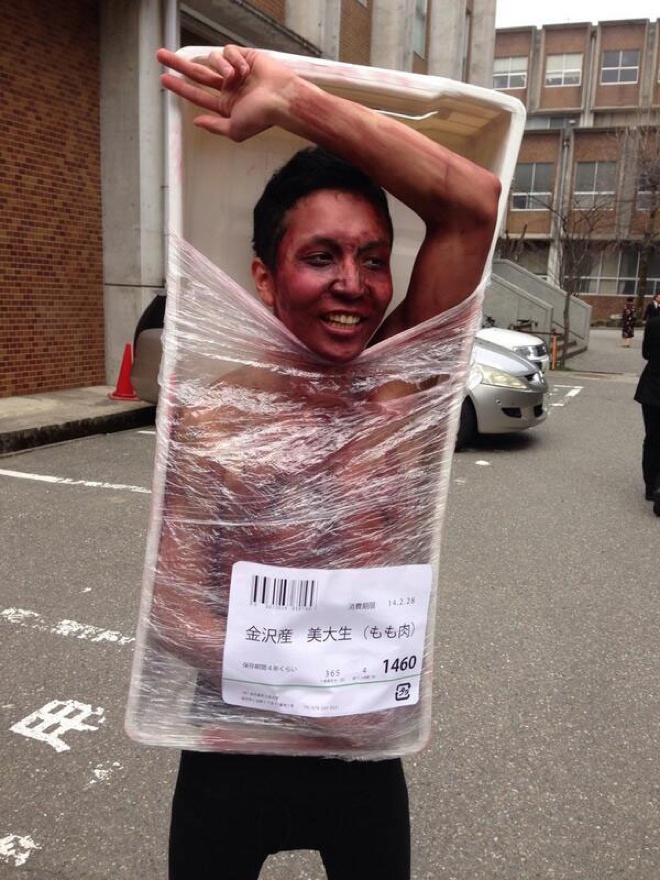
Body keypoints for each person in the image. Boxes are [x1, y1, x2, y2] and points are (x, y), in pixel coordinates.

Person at [154, 45, 501, 880]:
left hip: (361, 765)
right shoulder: (213, 420)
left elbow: (473, 206)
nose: (353, 283)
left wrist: (291, 101)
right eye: (321, 257)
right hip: (231, 755)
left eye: (373, 258)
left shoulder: (401, 392)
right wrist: (320, 683)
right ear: (266, 277)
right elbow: (175, 610)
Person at [634, 317, 660, 515]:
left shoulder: (653, 323)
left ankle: (651, 486)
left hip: (652, 387)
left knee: (652, 439)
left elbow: (646, 353)